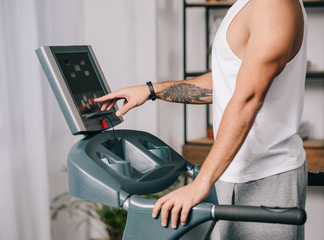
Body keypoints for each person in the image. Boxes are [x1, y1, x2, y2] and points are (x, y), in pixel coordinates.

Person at [95, 0, 308, 239]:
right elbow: (231, 83)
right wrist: (152, 90)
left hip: (263, 177)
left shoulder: (272, 5)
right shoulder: (250, 4)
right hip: (237, 174)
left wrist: (201, 183)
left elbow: (248, 99)